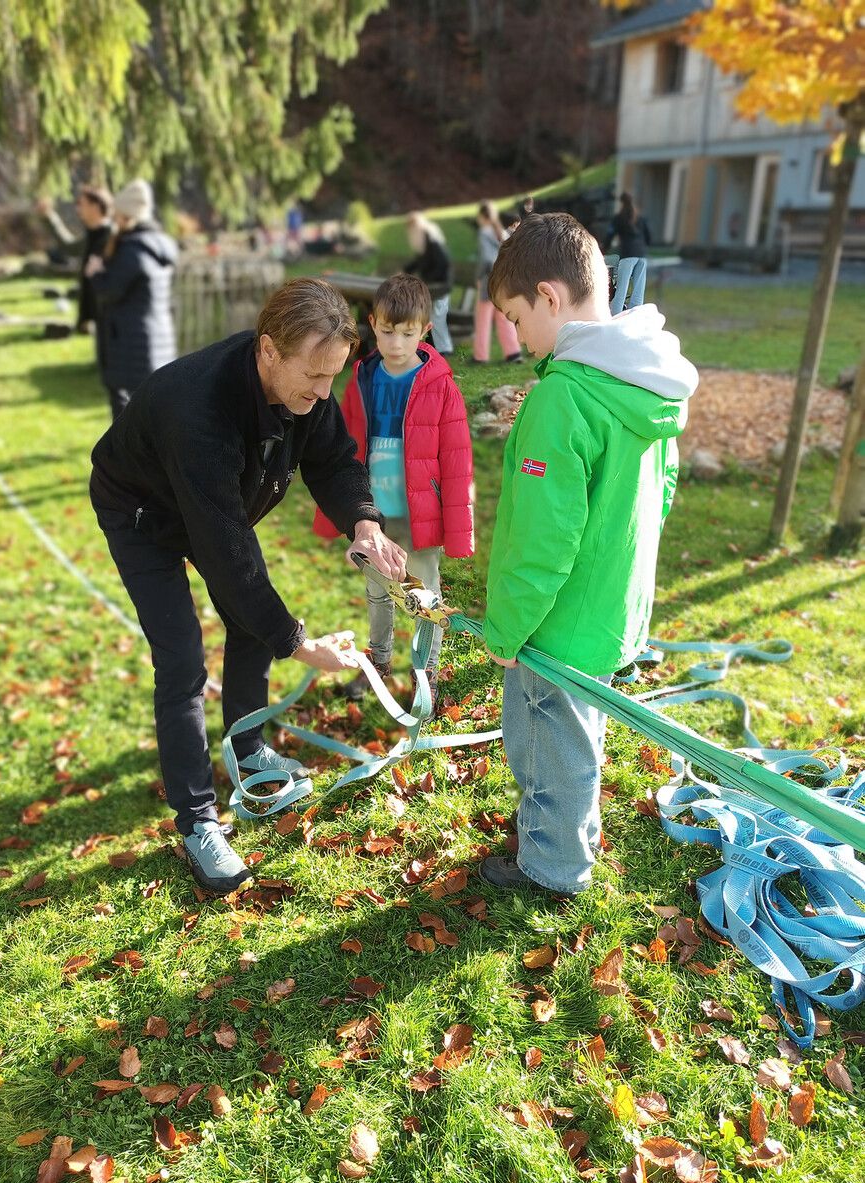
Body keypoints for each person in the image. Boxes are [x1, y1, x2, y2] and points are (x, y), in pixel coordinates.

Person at [89, 277, 408, 895]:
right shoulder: (198, 410)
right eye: (313, 376)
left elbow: (334, 460)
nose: (324, 393)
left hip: (219, 505)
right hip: (143, 513)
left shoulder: (306, 387)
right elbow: (228, 555)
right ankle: (197, 822)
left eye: (334, 376)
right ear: (268, 350)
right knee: (182, 659)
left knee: (249, 620)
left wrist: (365, 526)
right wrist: (300, 644)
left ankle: (247, 746)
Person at [477, 212, 697, 896]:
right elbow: (663, 489)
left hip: (556, 621)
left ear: (548, 297)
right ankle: (568, 833)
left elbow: (542, 540)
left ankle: (553, 868)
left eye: (516, 319)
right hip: (610, 607)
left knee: (549, 741)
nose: (518, 337)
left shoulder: (564, 398)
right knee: (575, 735)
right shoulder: (644, 381)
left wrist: (506, 628)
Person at [313, 274, 474, 711]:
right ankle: (379, 662)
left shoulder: (441, 384)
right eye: (387, 331)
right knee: (378, 591)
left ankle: (426, 672)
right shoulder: (362, 378)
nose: (396, 343)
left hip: (421, 517)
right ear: (373, 325)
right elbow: (343, 447)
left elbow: (457, 460)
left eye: (407, 333)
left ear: (425, 330)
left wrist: (459, 530)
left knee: (425, 597)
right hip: (374, 516)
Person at [85, 179, 178, 423]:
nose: (114, 220)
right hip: (157, 339)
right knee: (153, 415)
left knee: (128, 421)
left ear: (127, 216)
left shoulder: (132, 250)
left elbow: (109, 291)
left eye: (117, 214)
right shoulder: (159, 245)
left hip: (129, 345)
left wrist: (95, 273)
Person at [37, 185, 113, 333]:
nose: (78, 210)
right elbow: (68, 247)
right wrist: (49, 217)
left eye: (82, 205)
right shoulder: (92, 235)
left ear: (95, 207)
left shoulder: (113, 238)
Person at [473, 201, 523, 365]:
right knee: (503, 318)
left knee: (483, 321)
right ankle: (513, 353)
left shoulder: (484, 232)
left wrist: (478, 276)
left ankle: (481, 356)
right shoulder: (502, 232)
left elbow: (486, 259)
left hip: (488, 282)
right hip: (503, 283)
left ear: (482, 216)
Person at [404, 212, 454, 356]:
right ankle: (433, 344)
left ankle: (444, 349)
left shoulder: (432, 240)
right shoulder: (423, 242)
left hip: (440, 285)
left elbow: (443, 264)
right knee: (431, 314)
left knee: (438, 315)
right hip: (431, 286)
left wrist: (429, 279)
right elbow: (419, 261)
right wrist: (405, 271)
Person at [604, 192, 653, 315]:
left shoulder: (619, 218)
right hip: (641, 255)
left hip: (628, 254)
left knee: (622, 289)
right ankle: (635, 316)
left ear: (621, 203)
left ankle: (615, 316)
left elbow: (610, 234)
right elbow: (648, 236)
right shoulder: (640, 218)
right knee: (638, 291)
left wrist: (604, 248)